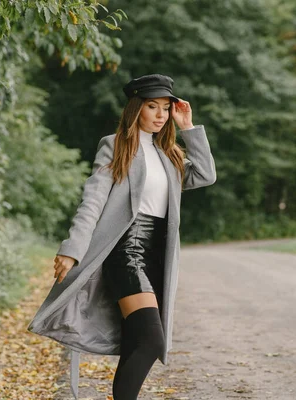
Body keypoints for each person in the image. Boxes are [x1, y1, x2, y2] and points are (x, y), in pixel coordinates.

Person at [28, 74, 216, 400]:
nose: (159, 114)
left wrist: (188, 127)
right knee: (151, 341)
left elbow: (205, 174)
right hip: (124, 252)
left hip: (157, 255)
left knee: (134, 342)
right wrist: (73, 248)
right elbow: (93, 201)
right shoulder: (116, 146)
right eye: (151, 106)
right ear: (136, 109)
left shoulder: (169, 154)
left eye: (165, 108)